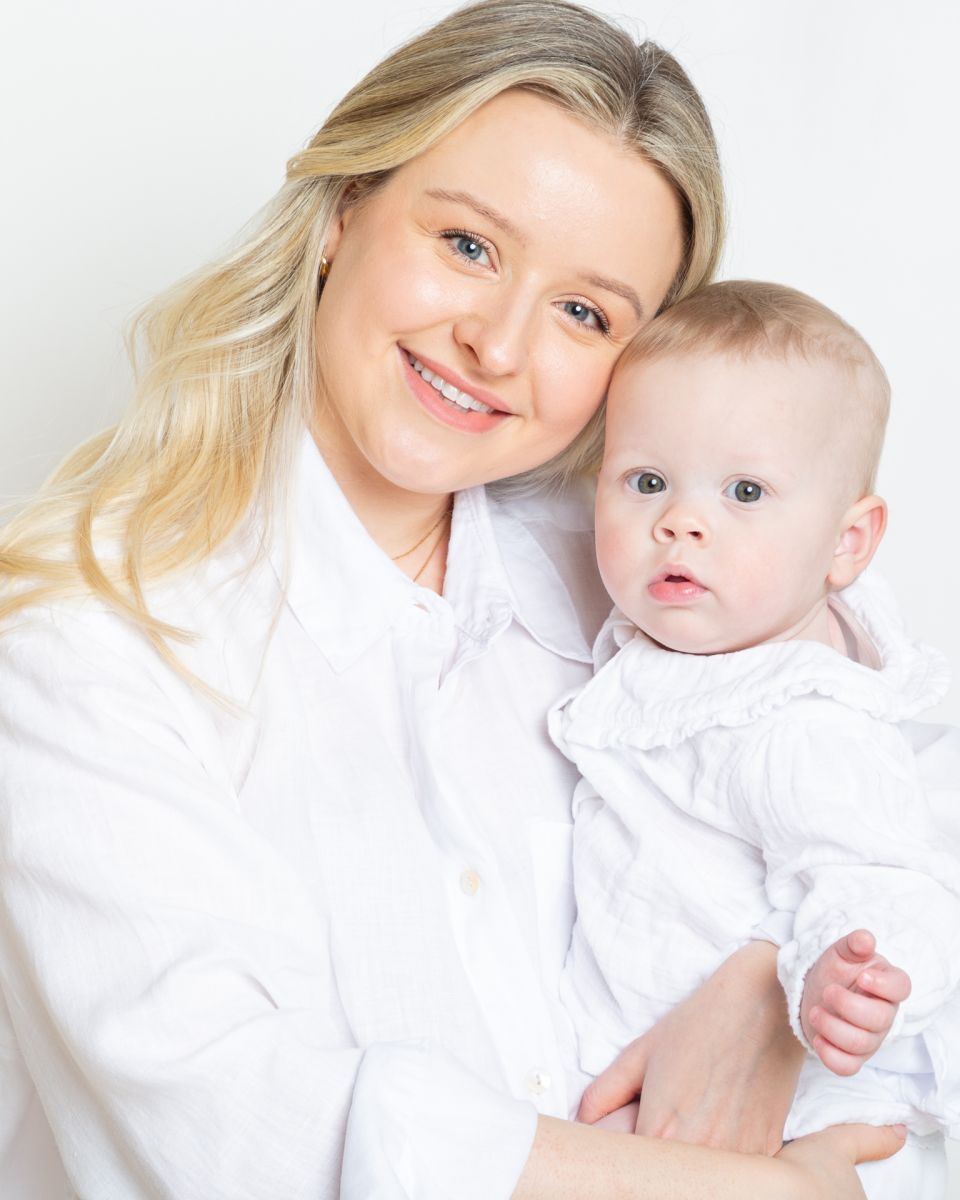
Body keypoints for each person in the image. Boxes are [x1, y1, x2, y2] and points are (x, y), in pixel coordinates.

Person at [0, 3, 904, 1197]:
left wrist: (768, 975)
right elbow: (240, 1130)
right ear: (341, 211)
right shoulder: (87, 636)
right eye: (469, 246)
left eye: (585, 311)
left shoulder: (645, 585)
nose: (498, 343)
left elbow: (879, 776)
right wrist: (775, 1192)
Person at [551, 280, 960, 1198]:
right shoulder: (674, 654)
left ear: (847, 543)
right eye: (646, 481)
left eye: (745, 491)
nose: (680, 520)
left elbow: (890, 884)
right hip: (642, 1097)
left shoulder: (797, 720)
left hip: (783, 1118)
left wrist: (847, 981)